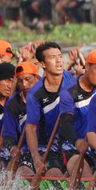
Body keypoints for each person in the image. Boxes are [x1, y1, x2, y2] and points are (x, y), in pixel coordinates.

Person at [25, 43, 76, 177]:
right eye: (53, 57)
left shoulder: (73, 81)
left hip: (73, 143)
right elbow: (31, 128)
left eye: (60, 56)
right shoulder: (35, 94)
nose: (59, 61)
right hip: (49, 147)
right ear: (42, 64)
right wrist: (36, 158)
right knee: (54, 173)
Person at [59, 49, 96, 178]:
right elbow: (65, 124)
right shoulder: (69, 92)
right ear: (87, 66)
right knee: (85, 174)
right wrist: (77, 142)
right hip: (74, 147)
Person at [2, 62, 40, 177]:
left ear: (37, 78)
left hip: (50, 147)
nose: (24, 84)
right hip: (26, 150)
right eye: (20, 80)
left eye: (28, 79)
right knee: (24, 172)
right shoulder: (13, 104)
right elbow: (8, 134)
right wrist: (13, 148)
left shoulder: (48, 97)